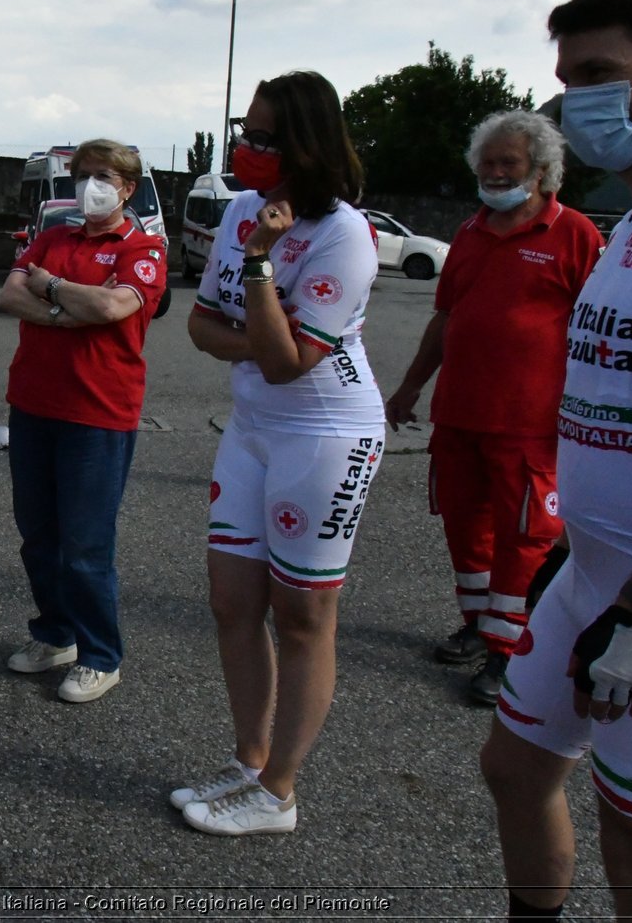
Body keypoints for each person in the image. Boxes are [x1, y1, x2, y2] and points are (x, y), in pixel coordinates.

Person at [481, 0, 632, 923]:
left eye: (599, 72)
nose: (576, 100)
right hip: (588, 572)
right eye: (567, 76)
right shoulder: (631, 223)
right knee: (515, 765)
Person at [179, 71, 385, 835]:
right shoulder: (236, 208)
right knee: (233, 602)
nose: (247, 147)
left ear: (306, 142)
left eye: (265, 136)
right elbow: (202, 327)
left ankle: (280, 790)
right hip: (255, 426)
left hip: (328, 433)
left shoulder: (343, 233)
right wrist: (261, 342)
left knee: (303, 614)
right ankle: (248, 762)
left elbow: (290, 361)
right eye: (246, 129)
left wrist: (263, 261)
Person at [386, 111, 602, 706]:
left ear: (541, 171)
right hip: (459, 417)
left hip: (530, 425)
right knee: (465, 526)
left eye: (508, 163)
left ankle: (511, 651)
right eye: (487, 164)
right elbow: (446, 318)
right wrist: (409, 388)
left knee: (526, 535)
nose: (495, 173)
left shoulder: (576, 234)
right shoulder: (470, 233)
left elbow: (602, 329)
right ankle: (480, 625)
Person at [0, 138, 167, 703]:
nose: (92, 185)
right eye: (84, 174)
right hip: (33, 405)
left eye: (105, 176)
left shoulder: (142, 248)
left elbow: (112, 308)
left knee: (86, 545)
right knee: (38, 536)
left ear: (128, 188)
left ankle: (100, 655)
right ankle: (56, 634)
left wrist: (48, 287)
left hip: (98, 414)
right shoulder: (52, 236)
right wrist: (64, 308)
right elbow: (8, 296)